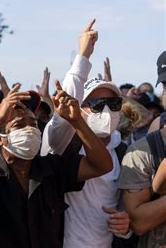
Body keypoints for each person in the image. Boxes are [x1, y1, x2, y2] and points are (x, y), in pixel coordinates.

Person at [0, 82, 113, 248]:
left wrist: (77, 121)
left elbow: (102, 165)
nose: (30, 130)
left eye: (33, 124)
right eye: (19, 125)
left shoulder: (51, 168)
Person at [41, 20, 130, 248]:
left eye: (113, 102)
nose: (107, 110)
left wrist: (126, 223)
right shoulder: (65, 143)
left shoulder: (124, 152)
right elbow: (62, 118)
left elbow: (127, 207)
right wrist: (83, 55)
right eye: (97, 104)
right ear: (80, 107)